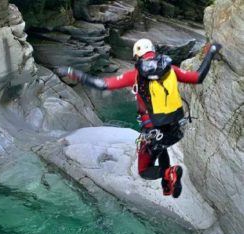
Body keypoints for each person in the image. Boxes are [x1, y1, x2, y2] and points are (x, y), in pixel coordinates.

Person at [57, 39, 222, 198]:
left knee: (144, 171)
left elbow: (102, 84)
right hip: (176, 128)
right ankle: (168, 184)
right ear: (152, 52)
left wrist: (74, 73)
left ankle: (169, 173)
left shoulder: (135, 75)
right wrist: (211, 52)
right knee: (161, 147)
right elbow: (197, 77)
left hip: (153, 130)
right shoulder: (170, 69)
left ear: (138, 55)